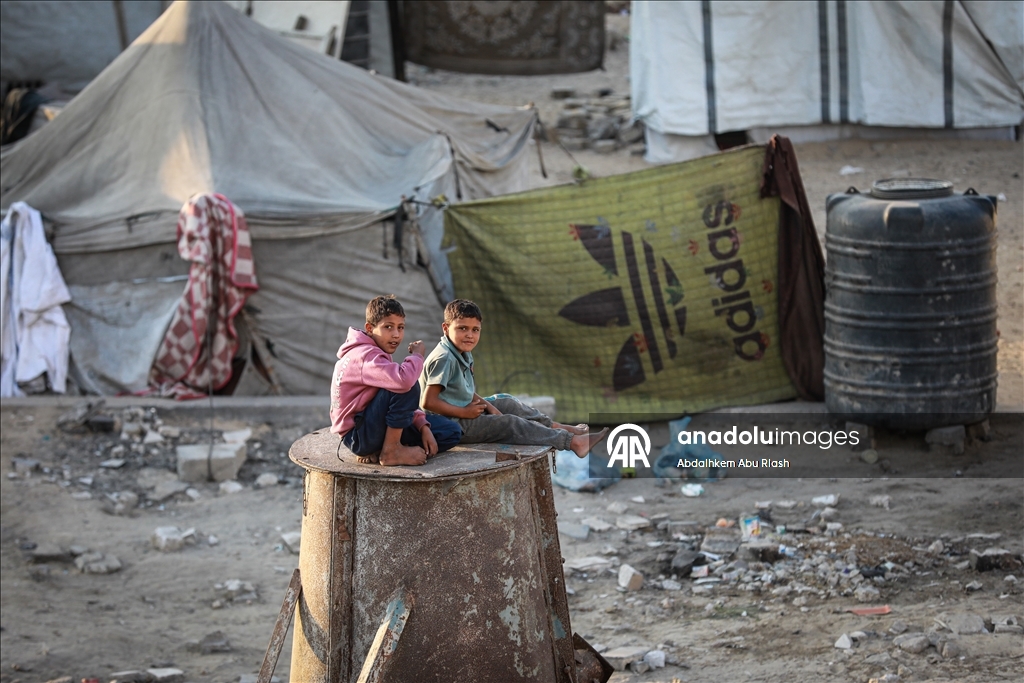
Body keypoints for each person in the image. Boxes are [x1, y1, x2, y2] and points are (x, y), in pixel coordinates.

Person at [419, 299, 608, 457]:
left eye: (475, 330)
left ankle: (556, 426)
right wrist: (465, 413)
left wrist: (491, 408)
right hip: (448, 424)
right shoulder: (444, 358)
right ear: (445, 328)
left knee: (506, 402)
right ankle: (572, 443)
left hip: (459, 412)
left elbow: (463, 390)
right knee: (508, 423)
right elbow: (428, 402)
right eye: (462, 328)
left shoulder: (461, 351)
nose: (469, 335)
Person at [330, 295, 461, 466]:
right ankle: (391, 452)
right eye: (388, 327)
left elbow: (395, 394)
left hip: (372, 426)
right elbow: (404, 383)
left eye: (401, 327)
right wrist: (417, 356)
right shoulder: (364, 357)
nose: (396, 335)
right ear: (369, 328)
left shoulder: (372, 353)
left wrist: (423, 425)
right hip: (358, 435)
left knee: (451, 432)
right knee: (408, 382)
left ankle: (384, 449)